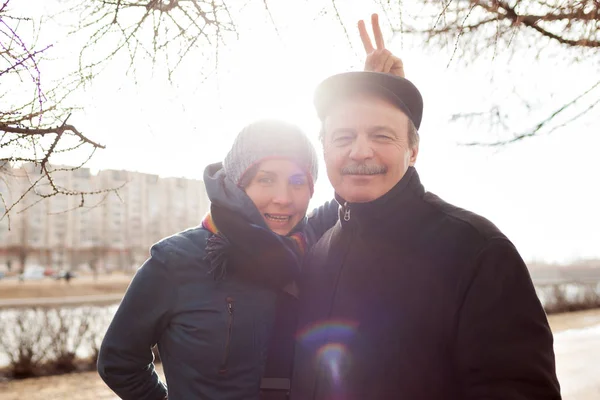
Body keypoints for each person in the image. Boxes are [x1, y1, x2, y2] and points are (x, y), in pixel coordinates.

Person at [291, 18, 562, 400]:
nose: (360, 150)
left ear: (413, 151)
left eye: (381, 135)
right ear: (325, 151)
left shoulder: (475, 251)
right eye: (344, 136)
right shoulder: (317, 254)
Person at [97, 119, 338, 400]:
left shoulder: (314, 241)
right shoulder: (176, 261)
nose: (283, 198)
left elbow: (370, 181)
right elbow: (118, 362)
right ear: (238, 185)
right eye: (266, 179)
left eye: (298, 182)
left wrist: (387, 91)